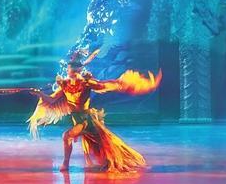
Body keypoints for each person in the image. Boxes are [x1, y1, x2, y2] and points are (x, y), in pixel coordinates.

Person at [28, 50, 161, 173]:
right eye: (69, 69)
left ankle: (65, 164)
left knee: (66, 136)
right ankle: (110, 161)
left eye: (73, 69)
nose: (71, 71)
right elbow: (51, 100)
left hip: (86, 120)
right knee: (103, 146)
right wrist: (39, 94)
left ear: (79, 70)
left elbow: (105, 85)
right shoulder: (64, 85)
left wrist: (123, 84)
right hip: (77, 120)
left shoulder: (86, 83)